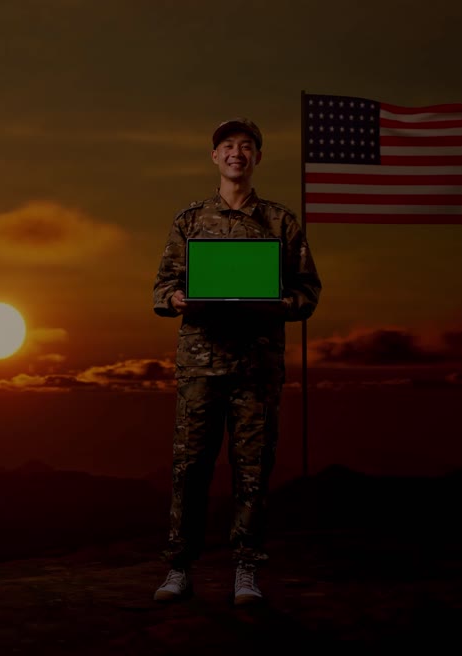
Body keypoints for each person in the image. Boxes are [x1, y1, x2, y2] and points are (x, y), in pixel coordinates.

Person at [150, 117, 322, 606]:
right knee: (190, 468)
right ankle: (179, 567)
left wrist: (277, 306)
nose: (236, 153)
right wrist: (176, 299)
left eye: (246, 146)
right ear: (215, 156)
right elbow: (160, 287)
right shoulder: (189, 220)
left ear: (257, 158)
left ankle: (246, 568)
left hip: (256, 368)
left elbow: (308, 292)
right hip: (201, 366)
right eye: (228, 146)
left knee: (252, 469)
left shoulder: (281, 222)